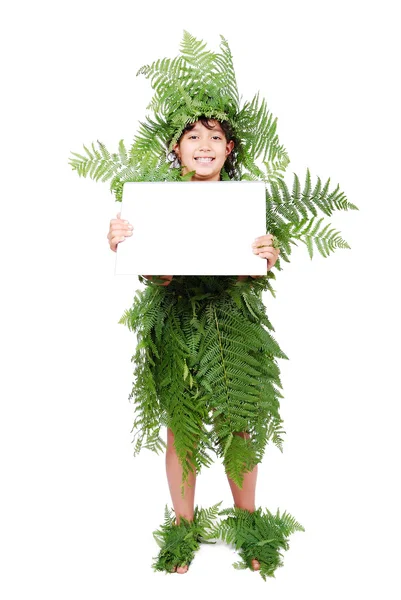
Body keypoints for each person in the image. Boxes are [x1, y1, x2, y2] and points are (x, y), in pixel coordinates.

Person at [107, 118, 280, 574]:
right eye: (193, 137)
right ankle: (182, 530)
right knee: (181, 431)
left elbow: (249, 270)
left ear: (230, 149)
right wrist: (126, 247)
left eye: (216, 138)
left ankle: (248, 524)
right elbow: (152, 270)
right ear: (177, 148)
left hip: (230, 321)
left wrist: (268, 255)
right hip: (177, 320)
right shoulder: (153, 201)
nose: (205, 146)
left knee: (237, 425)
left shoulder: (246, 203)